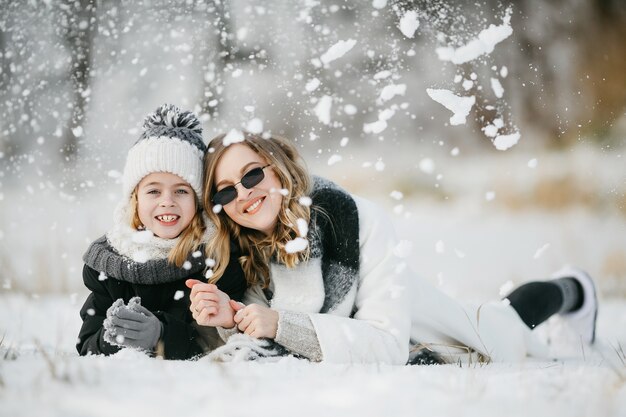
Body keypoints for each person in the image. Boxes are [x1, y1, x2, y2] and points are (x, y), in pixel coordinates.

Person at [187, 131, 598, 365]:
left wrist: (281, 324)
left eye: (252, 174)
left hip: (443, 332)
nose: (243, 194)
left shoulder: (353, 220)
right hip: (404, 331)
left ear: (276, 168)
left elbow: (385, 345)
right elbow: (260, 330)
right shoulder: (245, 254)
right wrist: (231, 318)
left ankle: (576, 289)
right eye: (225, 192)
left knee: (506, 322)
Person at [76, 104, 247, 360]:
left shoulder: (217, 258)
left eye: (181, 190)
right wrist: (114, 335)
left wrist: (161, 335)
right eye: (153, 191)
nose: (167, 201)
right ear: (135, 199)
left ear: (198, 201)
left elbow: (213, 348)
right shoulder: (109, 266)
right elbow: (86, 345)